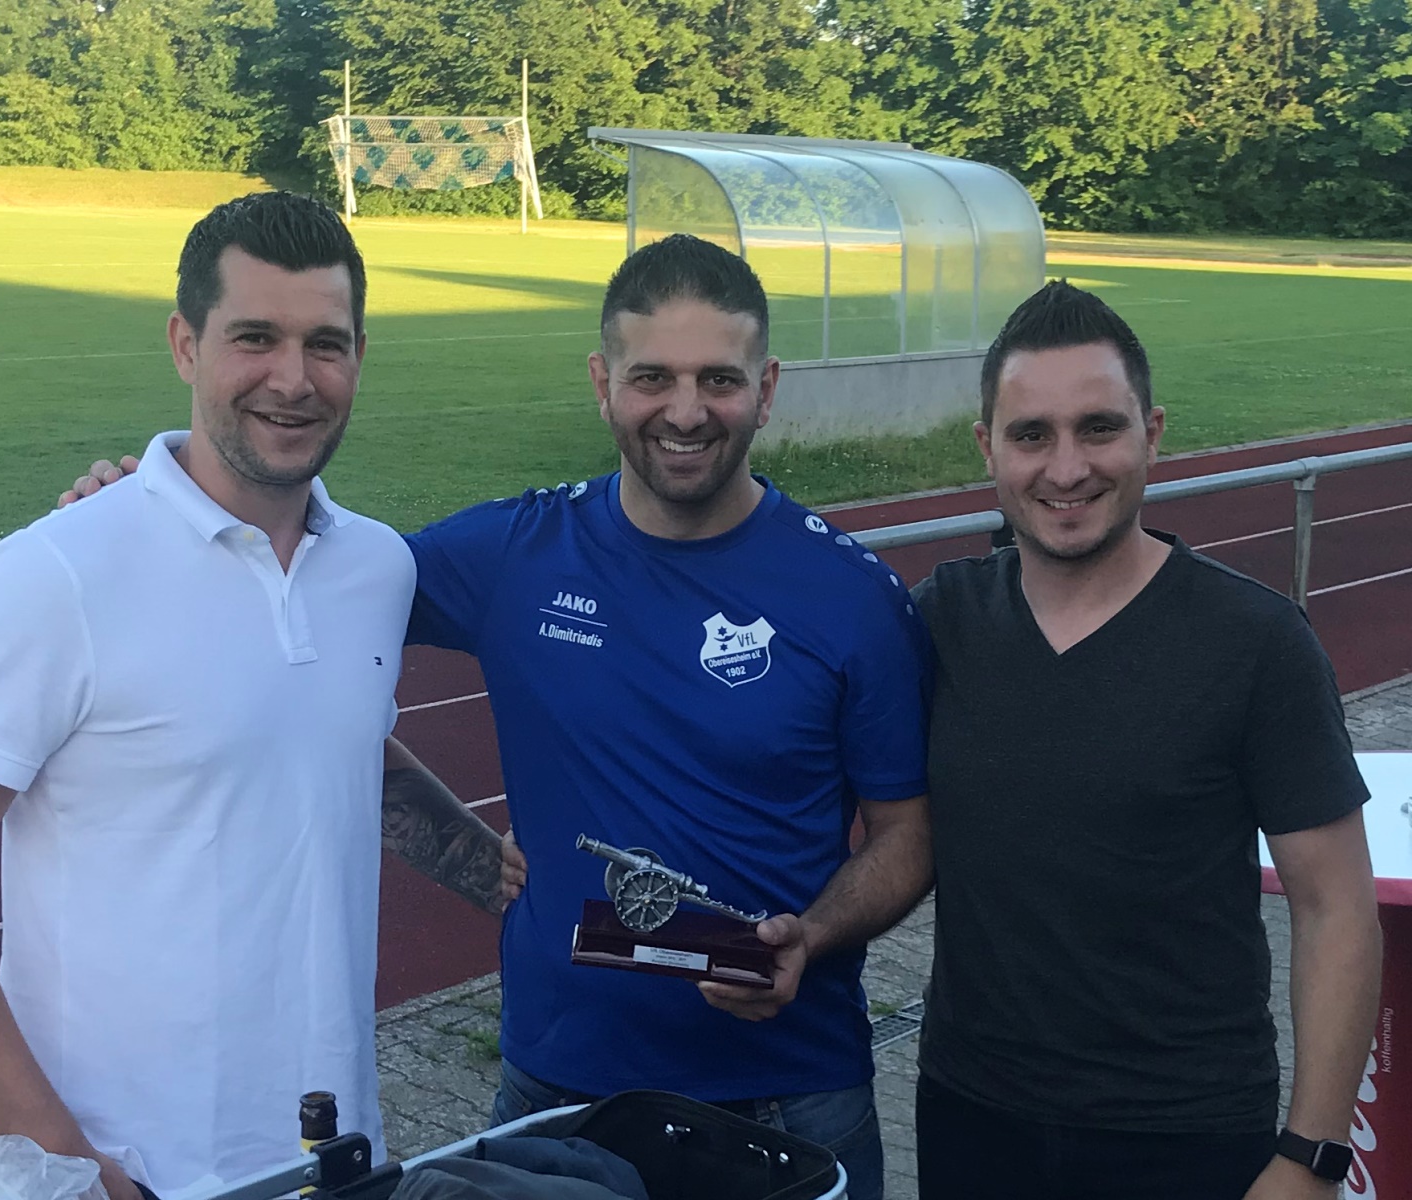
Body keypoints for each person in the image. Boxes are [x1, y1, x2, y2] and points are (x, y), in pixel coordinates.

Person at [67, 234, 934, 1200]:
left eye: (719, 380)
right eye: (652, 377)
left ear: (766, 388)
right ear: (603, 383)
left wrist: (812, 936)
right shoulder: (515, 554)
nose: (686, 412)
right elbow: (289, 590)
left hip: (788, 1102)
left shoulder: (852, 596)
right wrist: (149, 518)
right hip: (554, 1091)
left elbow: (907, 836)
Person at [0, 192, 506, 1200]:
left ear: (360, 356)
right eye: (255, 337)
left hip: (337, 1151)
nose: (293, 379)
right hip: (134, 1168)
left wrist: (519, 884)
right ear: (185, 345)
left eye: (325, 344)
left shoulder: (375, 568)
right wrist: (66, 1162)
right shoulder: (57, 575)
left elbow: (333, 749)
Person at [910, 281, 1382, 1199]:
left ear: (1152, 433)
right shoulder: (940, 621)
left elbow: (1335, 908)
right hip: (972, 1117)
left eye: (1099, 429)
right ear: (987, 448)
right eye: (1031, 435)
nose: (1066, 468)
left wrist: (1313, 1155)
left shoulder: (1256, 643)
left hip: (1186, 1133)